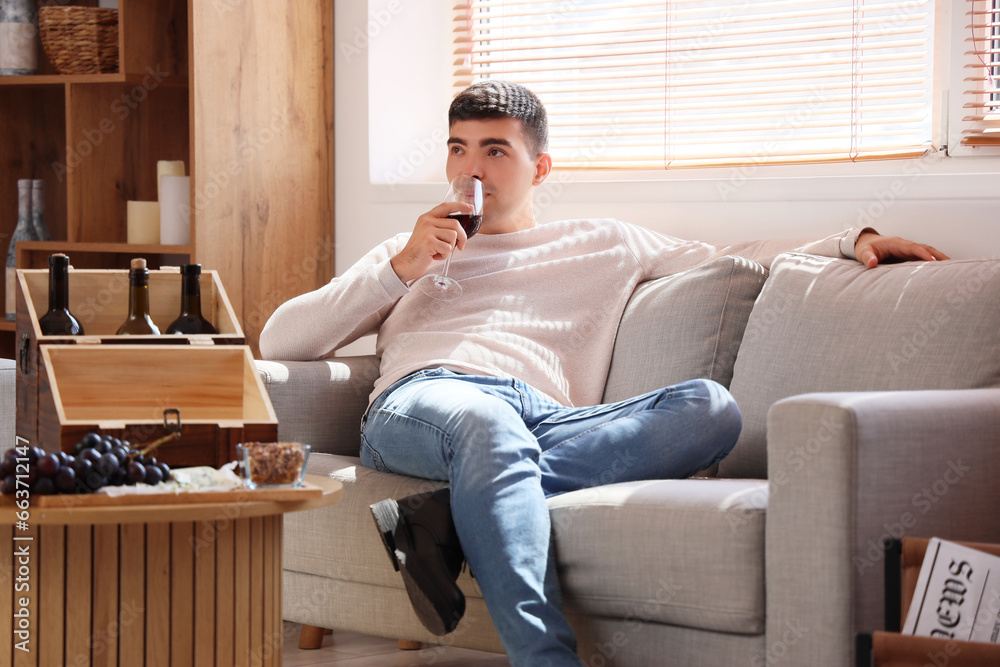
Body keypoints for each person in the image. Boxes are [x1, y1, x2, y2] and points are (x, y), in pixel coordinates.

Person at [259, 80, 948, 666]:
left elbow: (735, 254)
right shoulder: (410, 248)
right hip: (426, 402)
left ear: (541, 166)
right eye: (458, 148)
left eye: (495, 151)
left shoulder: (603, 242)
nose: (473, 169)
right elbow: (282, 336)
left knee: (712, 408)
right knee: (485, 423)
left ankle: (449, 511)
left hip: (547, 418)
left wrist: (848, 240)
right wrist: (400, 268)